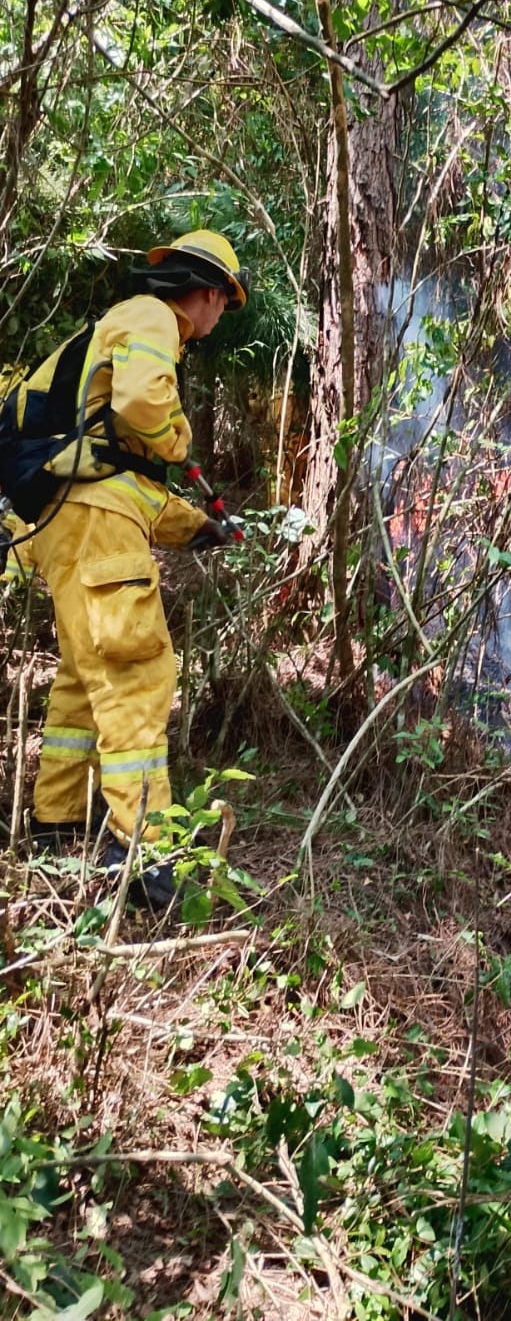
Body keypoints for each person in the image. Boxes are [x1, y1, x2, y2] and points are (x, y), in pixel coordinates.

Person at [15, 230, 249, 909]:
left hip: (68, 520)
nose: (215, 320)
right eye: (222, 305)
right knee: (137, 675)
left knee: (83, 683)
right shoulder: (151, 316)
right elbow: (145, 410)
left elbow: (128, 486)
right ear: (207, 292)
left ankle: (56, 821)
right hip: (92, 523)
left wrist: (200, 526)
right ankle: (141, 850)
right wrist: (179, 437)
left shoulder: (118, 332)